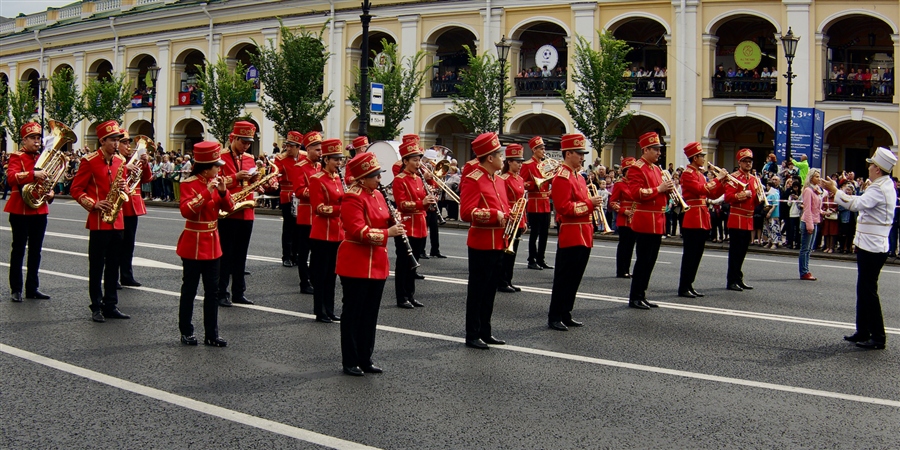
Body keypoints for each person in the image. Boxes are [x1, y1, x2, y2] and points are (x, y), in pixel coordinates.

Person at [823, 147, 897, 350]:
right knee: (864, 289)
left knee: (868, 291)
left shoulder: (878, 187)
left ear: (878, 169)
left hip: (872, 247)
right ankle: (863, 330)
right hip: (872, 245)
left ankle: (878, 336)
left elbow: (856, 204)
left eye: (872, 164)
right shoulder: (884, 184)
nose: (869, 167)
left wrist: (835, 191)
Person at [337, 152, 405, 376]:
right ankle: (350, 360)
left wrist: (393, 220)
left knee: (370, 314)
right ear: (363, 177)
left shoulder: (376, 194)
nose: (379, 179)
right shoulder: (352, 197)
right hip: (356, 263)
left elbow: (381, 217)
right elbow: (357, 231)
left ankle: (366, 358)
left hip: (376, 262)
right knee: (353, 313)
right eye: (375, 175)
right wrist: (388, 232)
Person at [69, 120, 130, 322]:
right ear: (102, 141)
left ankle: (111, 304)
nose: (116, 143)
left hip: (117, 220)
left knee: (114, 265)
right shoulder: (89, 161)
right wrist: (93, 203)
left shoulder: (120, 161)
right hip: (99, 220)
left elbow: (126, 189)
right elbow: (76, 189)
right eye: (113, 140)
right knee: (96, 266)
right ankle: (96, 305)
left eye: (118, 140)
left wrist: (124, 188)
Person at [176, 141, 233, 347]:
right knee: (189, 290)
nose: (220, 169)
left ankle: (212, 334)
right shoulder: (188, 183)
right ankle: (186, 331)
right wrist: (207, 191)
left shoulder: (218, 183)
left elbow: (229, 208)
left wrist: (224, 192)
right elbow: (187, 210)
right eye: (216, 166)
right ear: (206, 167)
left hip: (212, 242)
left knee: (213, 291)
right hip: (193, 242)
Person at [547, 134, 602, 330]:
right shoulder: (562, 176)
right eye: (579, 153)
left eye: (583, 153)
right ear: (568, 153)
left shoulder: (578, 176)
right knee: (564, 278)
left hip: (584, 232)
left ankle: (566, 312)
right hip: (571, 233)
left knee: (575, 278)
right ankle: (555, 316)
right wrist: (589, 203)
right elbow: (564, 208)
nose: (582, 157)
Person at [461, 132, 510, 349]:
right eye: (500, 154)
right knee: (478, 291)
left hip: (499, 241)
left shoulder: (499, 180)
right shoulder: (474, 179)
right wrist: (492, 215)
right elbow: (466, 212)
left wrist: (514, 219)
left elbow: (505, 207)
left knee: (490, 291)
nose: (503, 158)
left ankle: (485, 331)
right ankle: (472, 334)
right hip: (481, 243)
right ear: (490, 158)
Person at [625, 132, 673, 309]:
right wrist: (659, 188)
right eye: (656, 150)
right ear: (645, 149)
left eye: (659, 150)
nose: (659, 153)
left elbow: (659, 193)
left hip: (657, 220)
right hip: (645, 220)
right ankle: (635, 297)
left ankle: (642, 294)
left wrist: (667, 190)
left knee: (651, 261)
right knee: (643, 261)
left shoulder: (656, 169)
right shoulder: (636, 168)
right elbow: (636, 193)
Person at [5, 122, 52, 302]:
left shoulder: (42, 157)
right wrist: (33, 174)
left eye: (38, 138)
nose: (37, 141)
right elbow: (11, 178)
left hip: (39, 209)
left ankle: (32, 287)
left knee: (36, 250)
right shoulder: (16, 156)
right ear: (24, 140)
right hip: (20, 209)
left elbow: (49, 181)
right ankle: (16, 288)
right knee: (18, 249)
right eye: (33, 138)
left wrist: (51, 193)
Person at [216, 121, 260, 307]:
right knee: (226, 255)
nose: (246, 146)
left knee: (241, 254)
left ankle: (239, 292)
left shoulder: (249, 158)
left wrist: (257, 179)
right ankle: (221, 292)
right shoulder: (220, 157)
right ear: (232, 138)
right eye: (243, 142)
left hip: (246, 211)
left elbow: (252, 182)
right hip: (228, 212)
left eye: (249, 143)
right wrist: (236, 177)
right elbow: (215, 181)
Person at [677, 142, 726, 298]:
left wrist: (723, 184)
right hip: (692, 216)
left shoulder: (699, 174)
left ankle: (690, 284)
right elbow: (700, 190)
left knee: (697, 254)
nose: (704, 159)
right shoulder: (688, 174)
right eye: (702, 156)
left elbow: (711, 195)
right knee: (690, 254)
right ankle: (684, 286)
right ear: (695, 157)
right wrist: (718, 179)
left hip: (702, 215)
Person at [392, 138, 435, 308]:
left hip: (420, 225)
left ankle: (410, 295)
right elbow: (402, 204)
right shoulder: (400, 180)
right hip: (407, 225)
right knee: (404, 263)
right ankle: (401, 296)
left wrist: (431, 201)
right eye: (415, 160)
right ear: (405, 161)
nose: (418, 163)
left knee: (414, 263)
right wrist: (422, 203)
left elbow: (424, 201)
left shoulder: (419, 178)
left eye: (419, 160)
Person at [309, 138, 345, 323]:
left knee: (332, 274)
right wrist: (341, 209)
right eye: (335, 159)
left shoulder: (339, 178)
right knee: (321, 274)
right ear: (326, 160)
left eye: (340, 159)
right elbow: (319, 208)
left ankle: (330, 309)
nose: (338, 163)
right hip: (322, 233)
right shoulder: (317, 179)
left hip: (337, 232)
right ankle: (320, 310)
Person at [117, 129, 153, 287]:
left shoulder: (132, 159)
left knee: (129, 244)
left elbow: (146, 179)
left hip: (132, 206)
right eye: (124, 142)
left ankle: (126, 275)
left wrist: (145, 164)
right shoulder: (116, 160)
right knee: (115, 244)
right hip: (118, 205)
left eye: (128, 142)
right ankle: (113, 275)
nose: (128, 146)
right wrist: (126, 167)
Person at [725, 148, 763, 291]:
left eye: (750, 161)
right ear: (739, 162)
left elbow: (754, 200)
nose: (748, 164)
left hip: (748, 219)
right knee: (735, 252)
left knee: (743, 252)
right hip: (737, 218)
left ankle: (739, 278)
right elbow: (728, 198)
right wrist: (743, 194)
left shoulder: (753, 179)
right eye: (745, 161)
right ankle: (731, 280)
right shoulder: (734, 178)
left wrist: (759, 198)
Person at [293, 131, 322, 295]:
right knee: (304, 252)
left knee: (317, 252)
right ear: (309, 149)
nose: (320, 153)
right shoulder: (300, 167)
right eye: (317, 150)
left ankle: (313, 278)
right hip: (306, 215)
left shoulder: (319, 167)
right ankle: (304, 282)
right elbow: (299, 191)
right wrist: (319, 192)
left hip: (319, 215)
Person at [521, 136, 553, 270]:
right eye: (541, 148)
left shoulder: (545, 164)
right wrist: (534, 184)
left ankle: (541, 258)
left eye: (544, 148)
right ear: (534, 150)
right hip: (534, 202)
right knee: (535, 233)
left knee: (545, 233)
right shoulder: (527, 165)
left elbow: (551, 181)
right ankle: (531, 259)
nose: (543, 151)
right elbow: (521, 183)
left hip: (545, 202)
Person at [273, 131, 304, 267]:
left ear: (298, 147)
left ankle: (296, 254)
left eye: (292, 146)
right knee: (288, 227)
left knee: (299, 228)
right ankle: (286, 256)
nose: (288, 148)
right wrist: (274, 181)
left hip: (301, 196)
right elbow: (275, 172)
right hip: (287, 195)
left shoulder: (304, 157)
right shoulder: (280, 158)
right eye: (287, 145)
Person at [498, 143, 526, 293]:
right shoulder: (504, 179)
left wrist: (524, 220)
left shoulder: (519, 179)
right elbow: (502, 200)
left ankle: (509, 279)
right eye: (517, 161)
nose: (520, 164)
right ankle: (501, 281)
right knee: (505, 252)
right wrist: (509, 215)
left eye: (521, 161)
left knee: (513, 252)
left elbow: (522, 200)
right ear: (509, 162)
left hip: (518, 217)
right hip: (510, 217)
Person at [609, 157, 637, 278]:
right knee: (624, 245)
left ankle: (627, 268)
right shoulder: (619, 184)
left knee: (631, 245)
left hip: (635, 217)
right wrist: (623, 211)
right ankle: (621, 270)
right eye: (630, 170)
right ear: (625, 171)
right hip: (624, 217)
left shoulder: (637, 184)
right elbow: (612, 202)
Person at [799, 169, 825, 281]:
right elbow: (807, 209)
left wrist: (822, 212)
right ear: (811, 178)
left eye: (819, 176)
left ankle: (806, 270)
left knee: (809, 249)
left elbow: (815, 208)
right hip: (808, 222)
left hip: (814, 221)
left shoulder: (816, 190)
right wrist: (810, 225)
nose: (818, 179)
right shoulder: (808, 191)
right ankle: (804, 271)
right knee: (805, 249)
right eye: (816, 177)